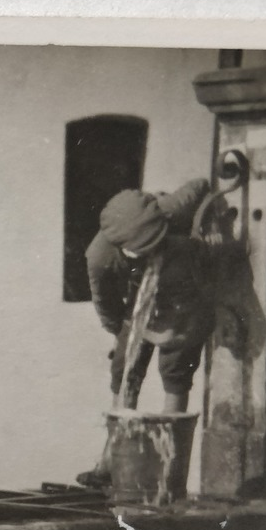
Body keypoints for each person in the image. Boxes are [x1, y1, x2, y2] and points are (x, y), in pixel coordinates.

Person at [76, 178, 214, 489]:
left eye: (157, 242)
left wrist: (210, 218)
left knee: (176, 368)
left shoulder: (168, 210)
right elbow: (106, 305)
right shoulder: (100, 258)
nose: (154, 251)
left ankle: (170, 465)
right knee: (124, 369)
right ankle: (111, 460)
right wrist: (121, 335)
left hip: (181, 296)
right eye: (145, 249)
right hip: (139, 301)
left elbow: (201, 186)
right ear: (122, 247)